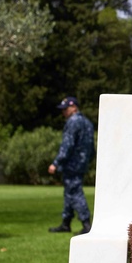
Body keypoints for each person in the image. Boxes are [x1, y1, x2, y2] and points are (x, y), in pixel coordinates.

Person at [47, 96, 94, 234]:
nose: (63, 113)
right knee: (69, 191)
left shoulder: (73, 122)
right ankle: (66, 223)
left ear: (74, 107)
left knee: (74, 191)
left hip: (72, 162)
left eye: (65, 109)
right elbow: (92, 146)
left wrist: (56, 163)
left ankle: (86, 224)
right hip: (82, 162)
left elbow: (67, 145)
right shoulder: (87, 122)